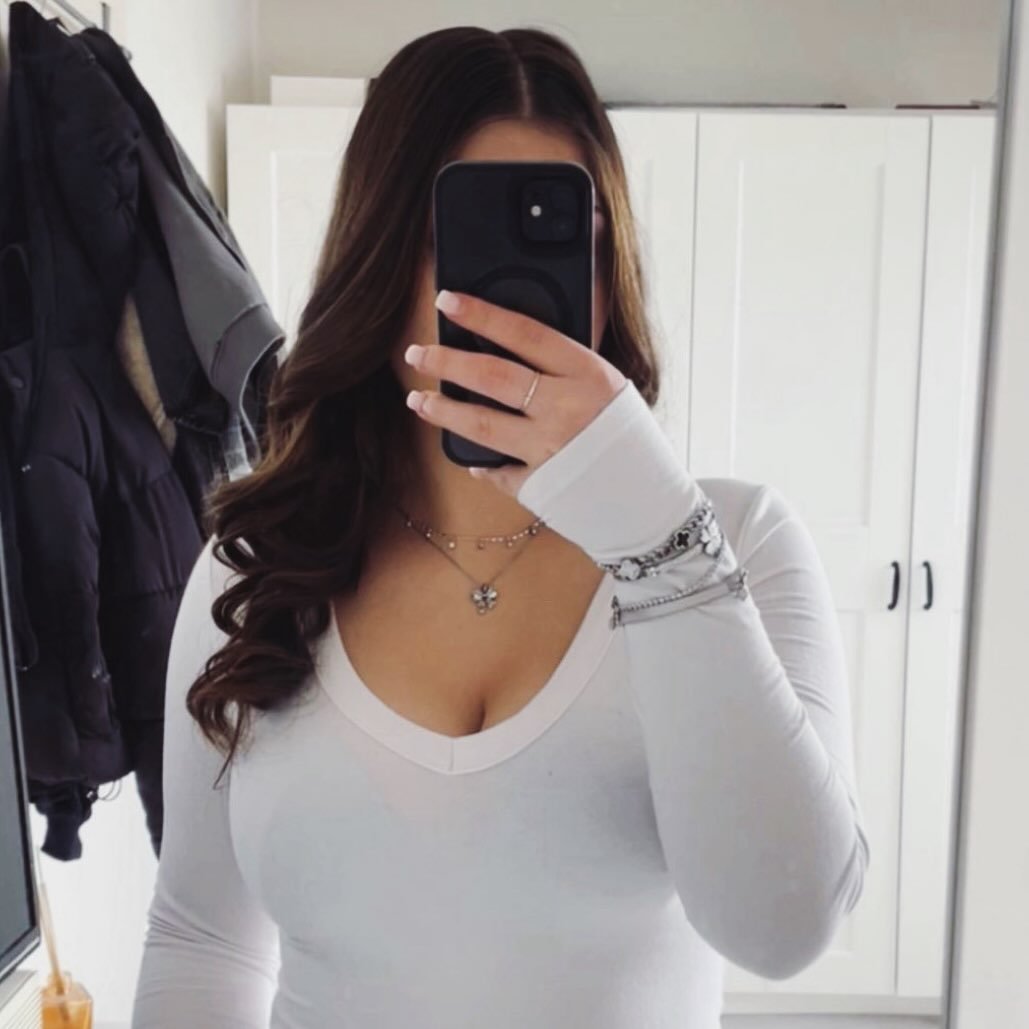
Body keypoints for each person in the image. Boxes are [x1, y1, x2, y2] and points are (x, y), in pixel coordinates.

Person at [130, 25, 869, 1029]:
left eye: (569, 240)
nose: (511, 296)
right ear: (380, 258)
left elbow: (787, 925)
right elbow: (201, 940)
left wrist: (657, 533)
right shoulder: (254, 572)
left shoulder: (731, 541)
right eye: (466, 236)